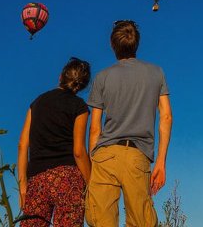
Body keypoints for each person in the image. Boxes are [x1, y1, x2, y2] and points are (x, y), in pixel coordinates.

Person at [85, 20, 173, 227]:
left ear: (112, 44)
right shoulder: (156, 73)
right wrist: (161, 161)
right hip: (138, 155)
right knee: (142, 221)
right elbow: (166, 117)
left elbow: (95, 127)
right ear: (137, 43)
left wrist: (93, 162)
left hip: (105, 155)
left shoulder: (102, 77)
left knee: (100, 219)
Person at [17, 57, 92, 227]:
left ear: (61, 76)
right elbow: (79, 151)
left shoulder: (37, 103)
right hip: (68, 178)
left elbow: (22, 145)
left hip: (37, 179)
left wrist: (23, 186)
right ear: (82, 86)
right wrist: (91, 182)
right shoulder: (79, 106)